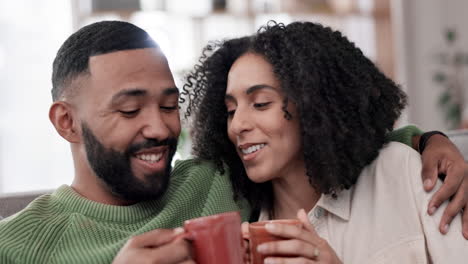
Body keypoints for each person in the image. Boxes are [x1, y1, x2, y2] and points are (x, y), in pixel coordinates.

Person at [0, 20, 465, 264]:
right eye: (129, 110)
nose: (161, 129)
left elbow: (327, 135)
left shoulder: (216, 181)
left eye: (169, 105)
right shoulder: (15, 246)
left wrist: (430, 142)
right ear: (66, 122)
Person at [183, 21, 468, 263]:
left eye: (260, 103)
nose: (238, 125)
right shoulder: (251, 238)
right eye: (231, 110)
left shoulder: (405, 173)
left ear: (312, 104)